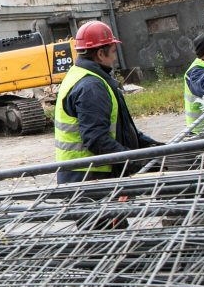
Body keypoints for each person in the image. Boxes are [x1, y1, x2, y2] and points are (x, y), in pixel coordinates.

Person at [54, 20, 161, 185]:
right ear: (100, 54)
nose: (114, 56)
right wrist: (133, 162)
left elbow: (121, 127)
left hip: (85, 173)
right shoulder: (92, 86)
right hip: (90, 177)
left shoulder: (83, 75)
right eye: (112, 51)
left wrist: (153, 146)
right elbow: (96, 139)